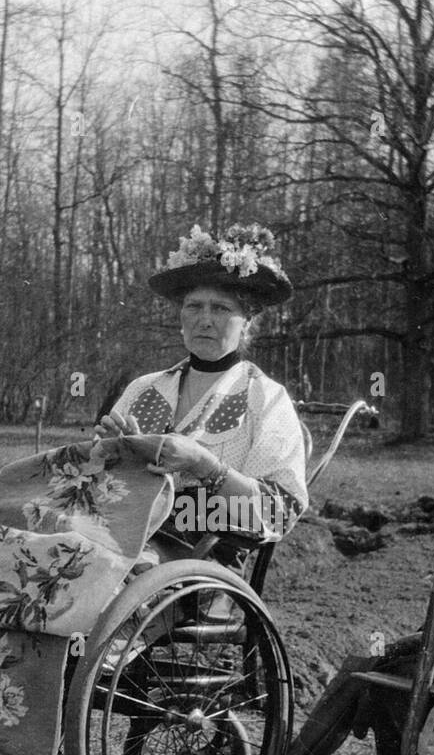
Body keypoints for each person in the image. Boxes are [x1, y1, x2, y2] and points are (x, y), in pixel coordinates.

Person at [99, 223, 308, 558]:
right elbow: (101, 488)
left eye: (221, 308)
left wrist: (203, 464)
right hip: (120, 538)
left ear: (248, 321)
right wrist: (114, 452)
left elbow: (278, 511)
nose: (205, 320)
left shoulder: (265, 398)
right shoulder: (145, 388)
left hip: (197, 563)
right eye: (194, 306)